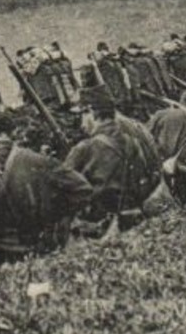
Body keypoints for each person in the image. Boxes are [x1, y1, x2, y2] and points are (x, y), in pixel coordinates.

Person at [0, 104, 93, 260]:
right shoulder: (39, 161)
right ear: (13, 131)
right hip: (40, 252)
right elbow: (83, 190)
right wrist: (57, 220)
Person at [63, 85, 162, 231]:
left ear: (91, 112)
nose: (81, 122)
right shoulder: (131, 142)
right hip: (133, 218)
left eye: (82, 115)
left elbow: (63, 189)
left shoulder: (85, 148)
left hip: (99, 227)